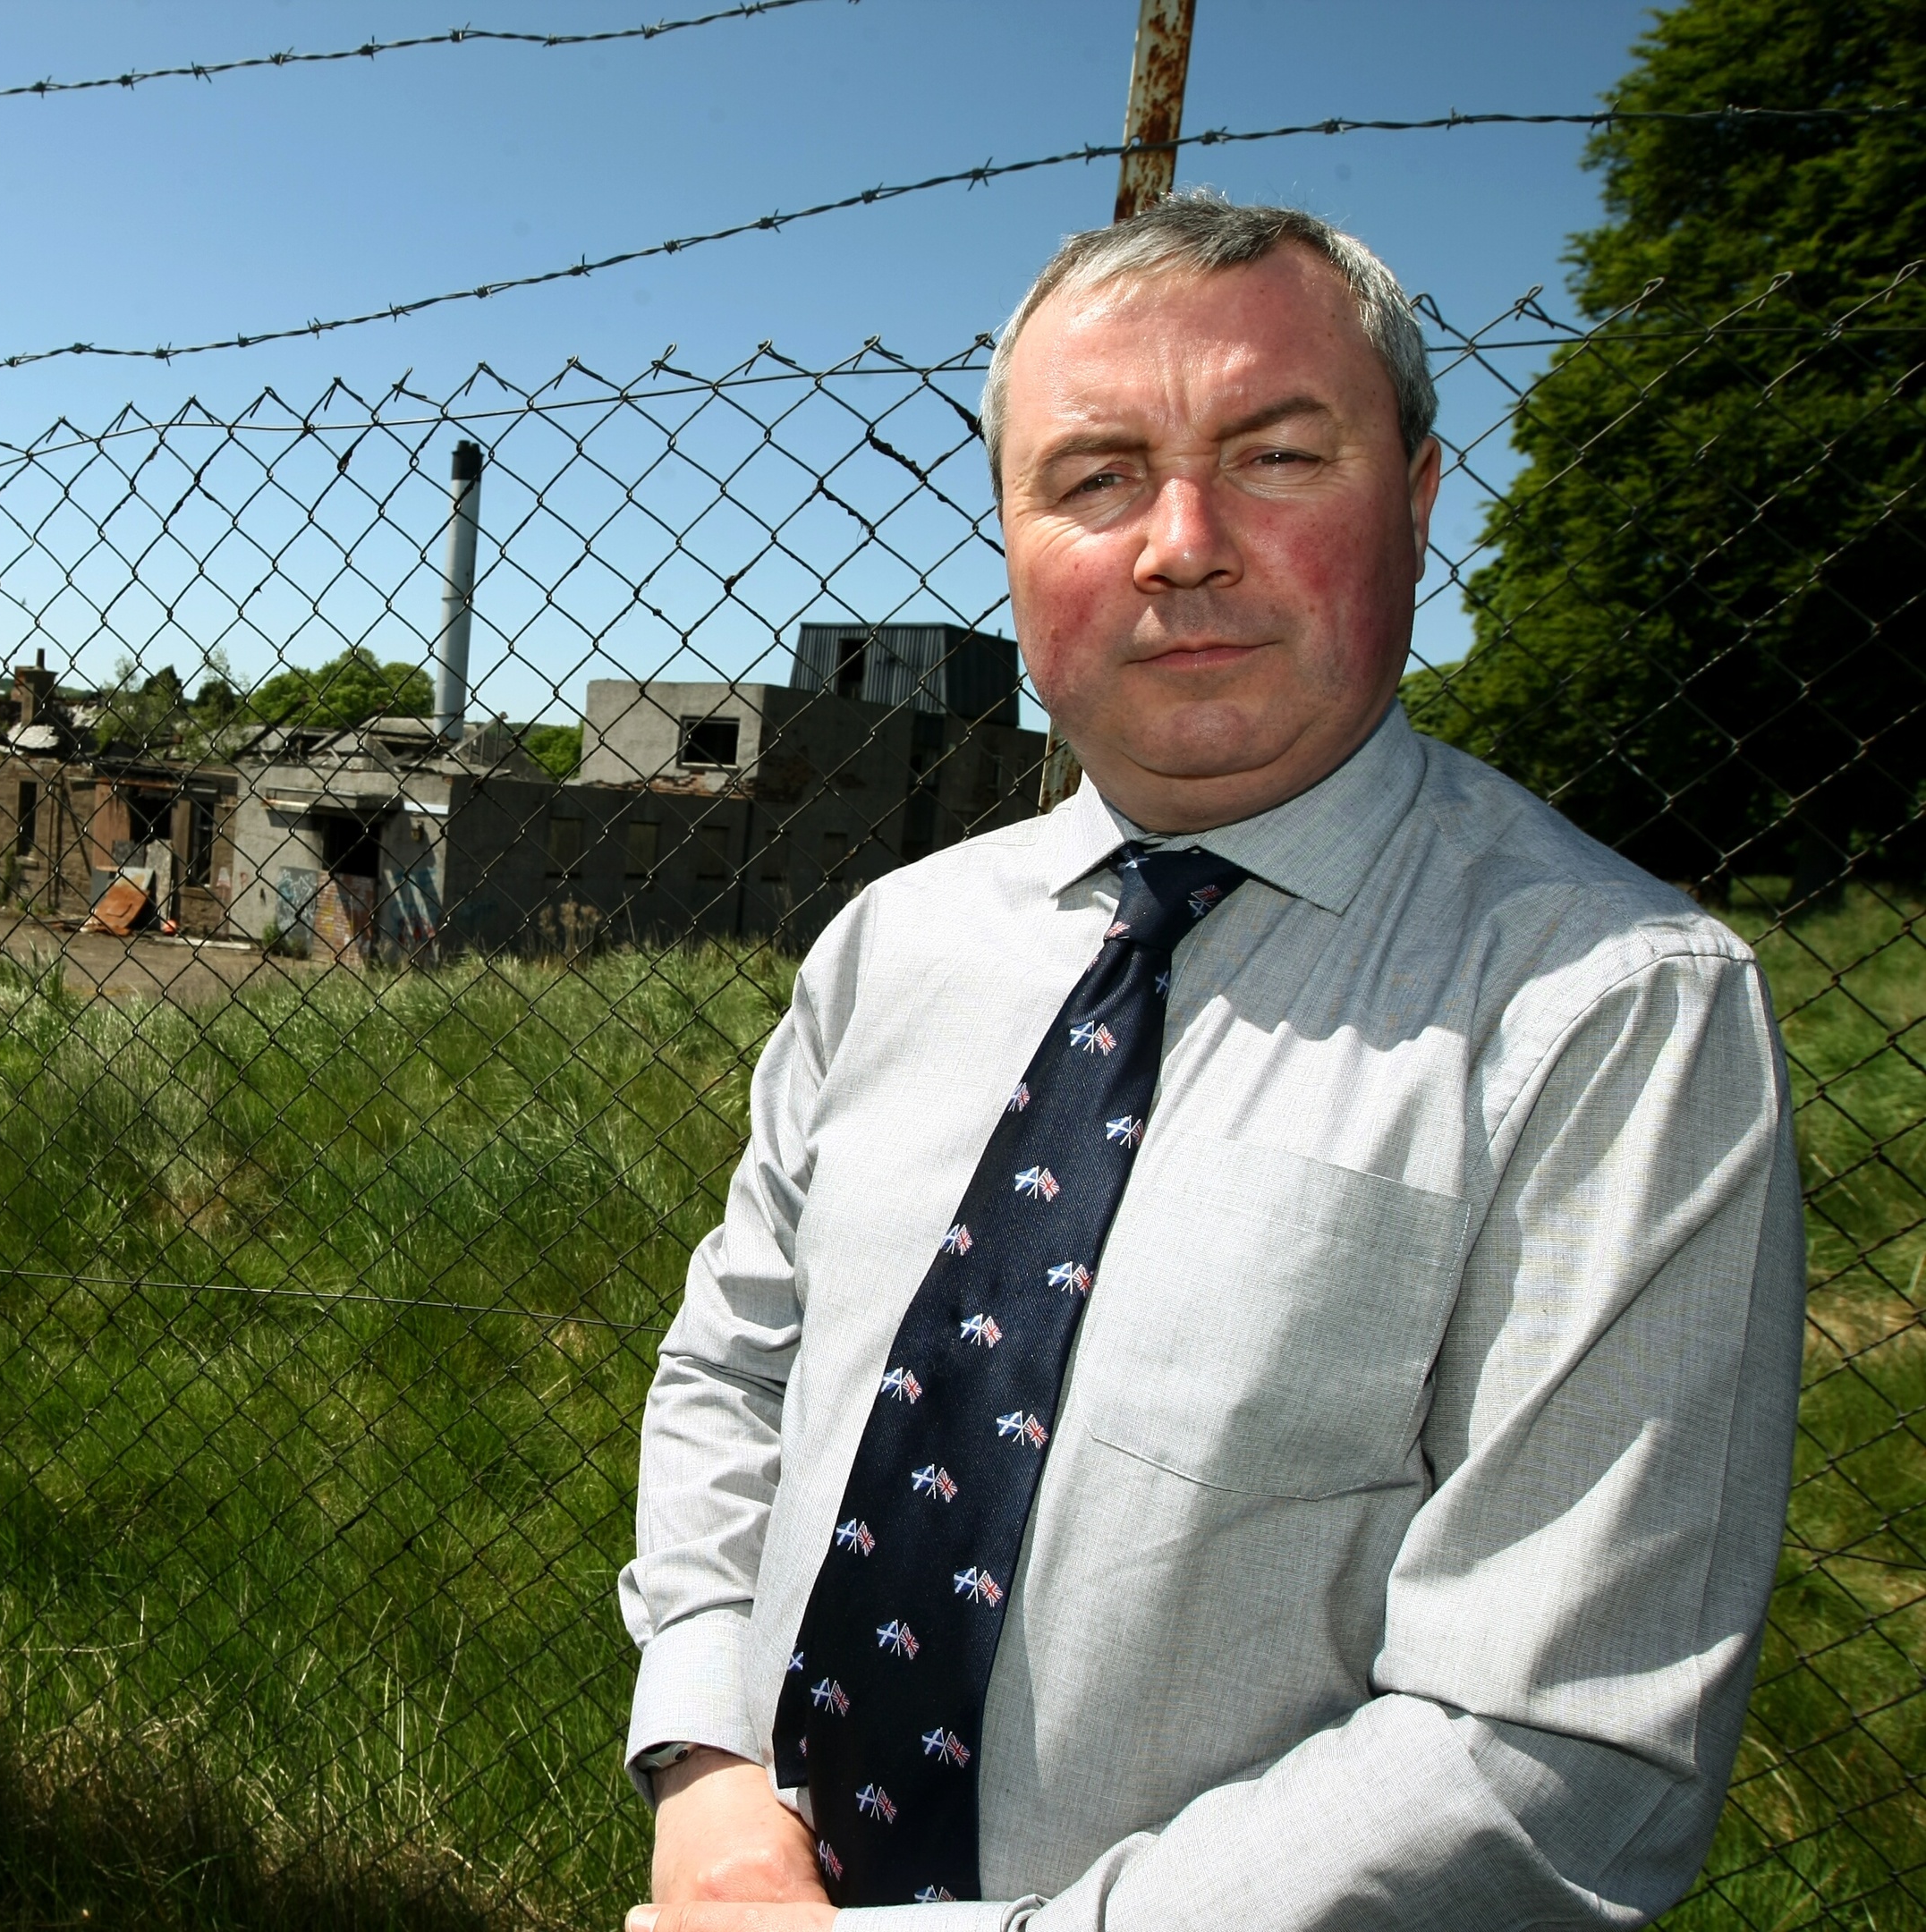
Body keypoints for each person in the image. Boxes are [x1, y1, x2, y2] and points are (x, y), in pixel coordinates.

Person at [616, 194, 1806, 1931]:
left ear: (1414, 500)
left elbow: (1557, 1752)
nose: (1179, 542)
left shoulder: (1614, 1018)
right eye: (1094, 478)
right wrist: (710, 1777)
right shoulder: (893, 950)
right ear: (1014, 542)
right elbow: (737, 1374)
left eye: (1275, 454)